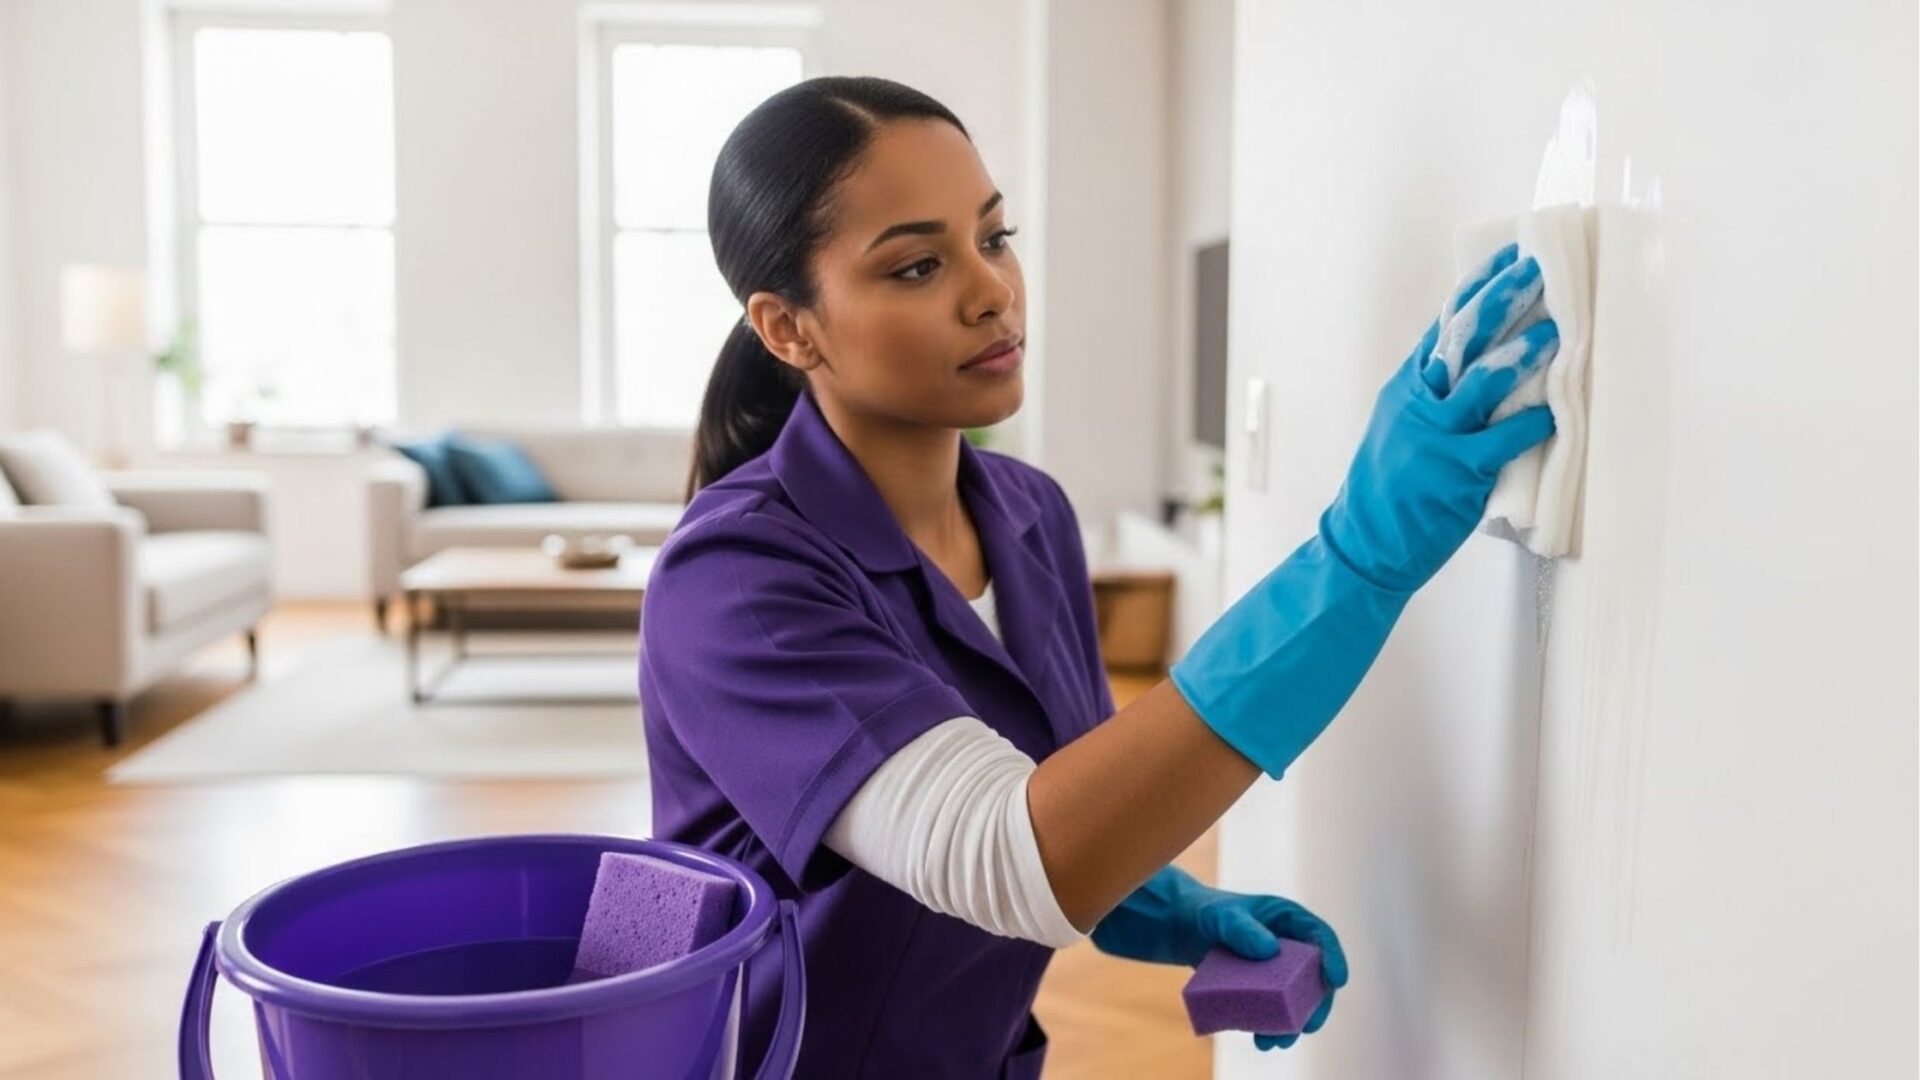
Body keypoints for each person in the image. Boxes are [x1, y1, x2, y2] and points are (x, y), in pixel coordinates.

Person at [640, 75, 1560, 1079]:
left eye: (995, 237)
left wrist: (1164, 903)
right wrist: (1357, 561)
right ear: (788, 328)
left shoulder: (1030, 516)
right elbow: (1005, 852)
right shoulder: (734, 581)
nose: (992, 292)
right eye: (916, 266)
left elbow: (1062, 790)